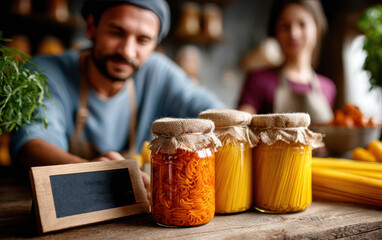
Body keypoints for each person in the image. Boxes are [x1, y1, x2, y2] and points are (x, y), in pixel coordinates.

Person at [9, 0, 224, 187]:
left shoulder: (159, 72)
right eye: (116, 33)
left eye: (143, 40)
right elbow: (31, 146)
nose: (127, 51)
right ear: (92, 27)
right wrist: (92, 172)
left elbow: (219, 116)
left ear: (154, 45)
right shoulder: (44, 72)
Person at [237, 0, 335, 124]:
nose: (294, 33)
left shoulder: (328, 87)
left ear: (317, 29)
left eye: (302, 24)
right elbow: (240, 130)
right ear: (276, 32)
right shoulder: (258, 80)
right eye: (285, 26)